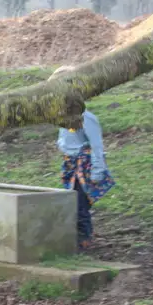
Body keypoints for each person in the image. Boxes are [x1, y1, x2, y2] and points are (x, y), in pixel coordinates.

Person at [52, 68, 114, 251]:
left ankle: (84, 240)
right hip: (71, 163)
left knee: (80, 204)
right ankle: (79, 237)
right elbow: (65, 138)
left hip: (84, 165)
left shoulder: (87, 118)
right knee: (72, 202)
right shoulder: (63, 116)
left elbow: (97, 145)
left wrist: (97, 169)